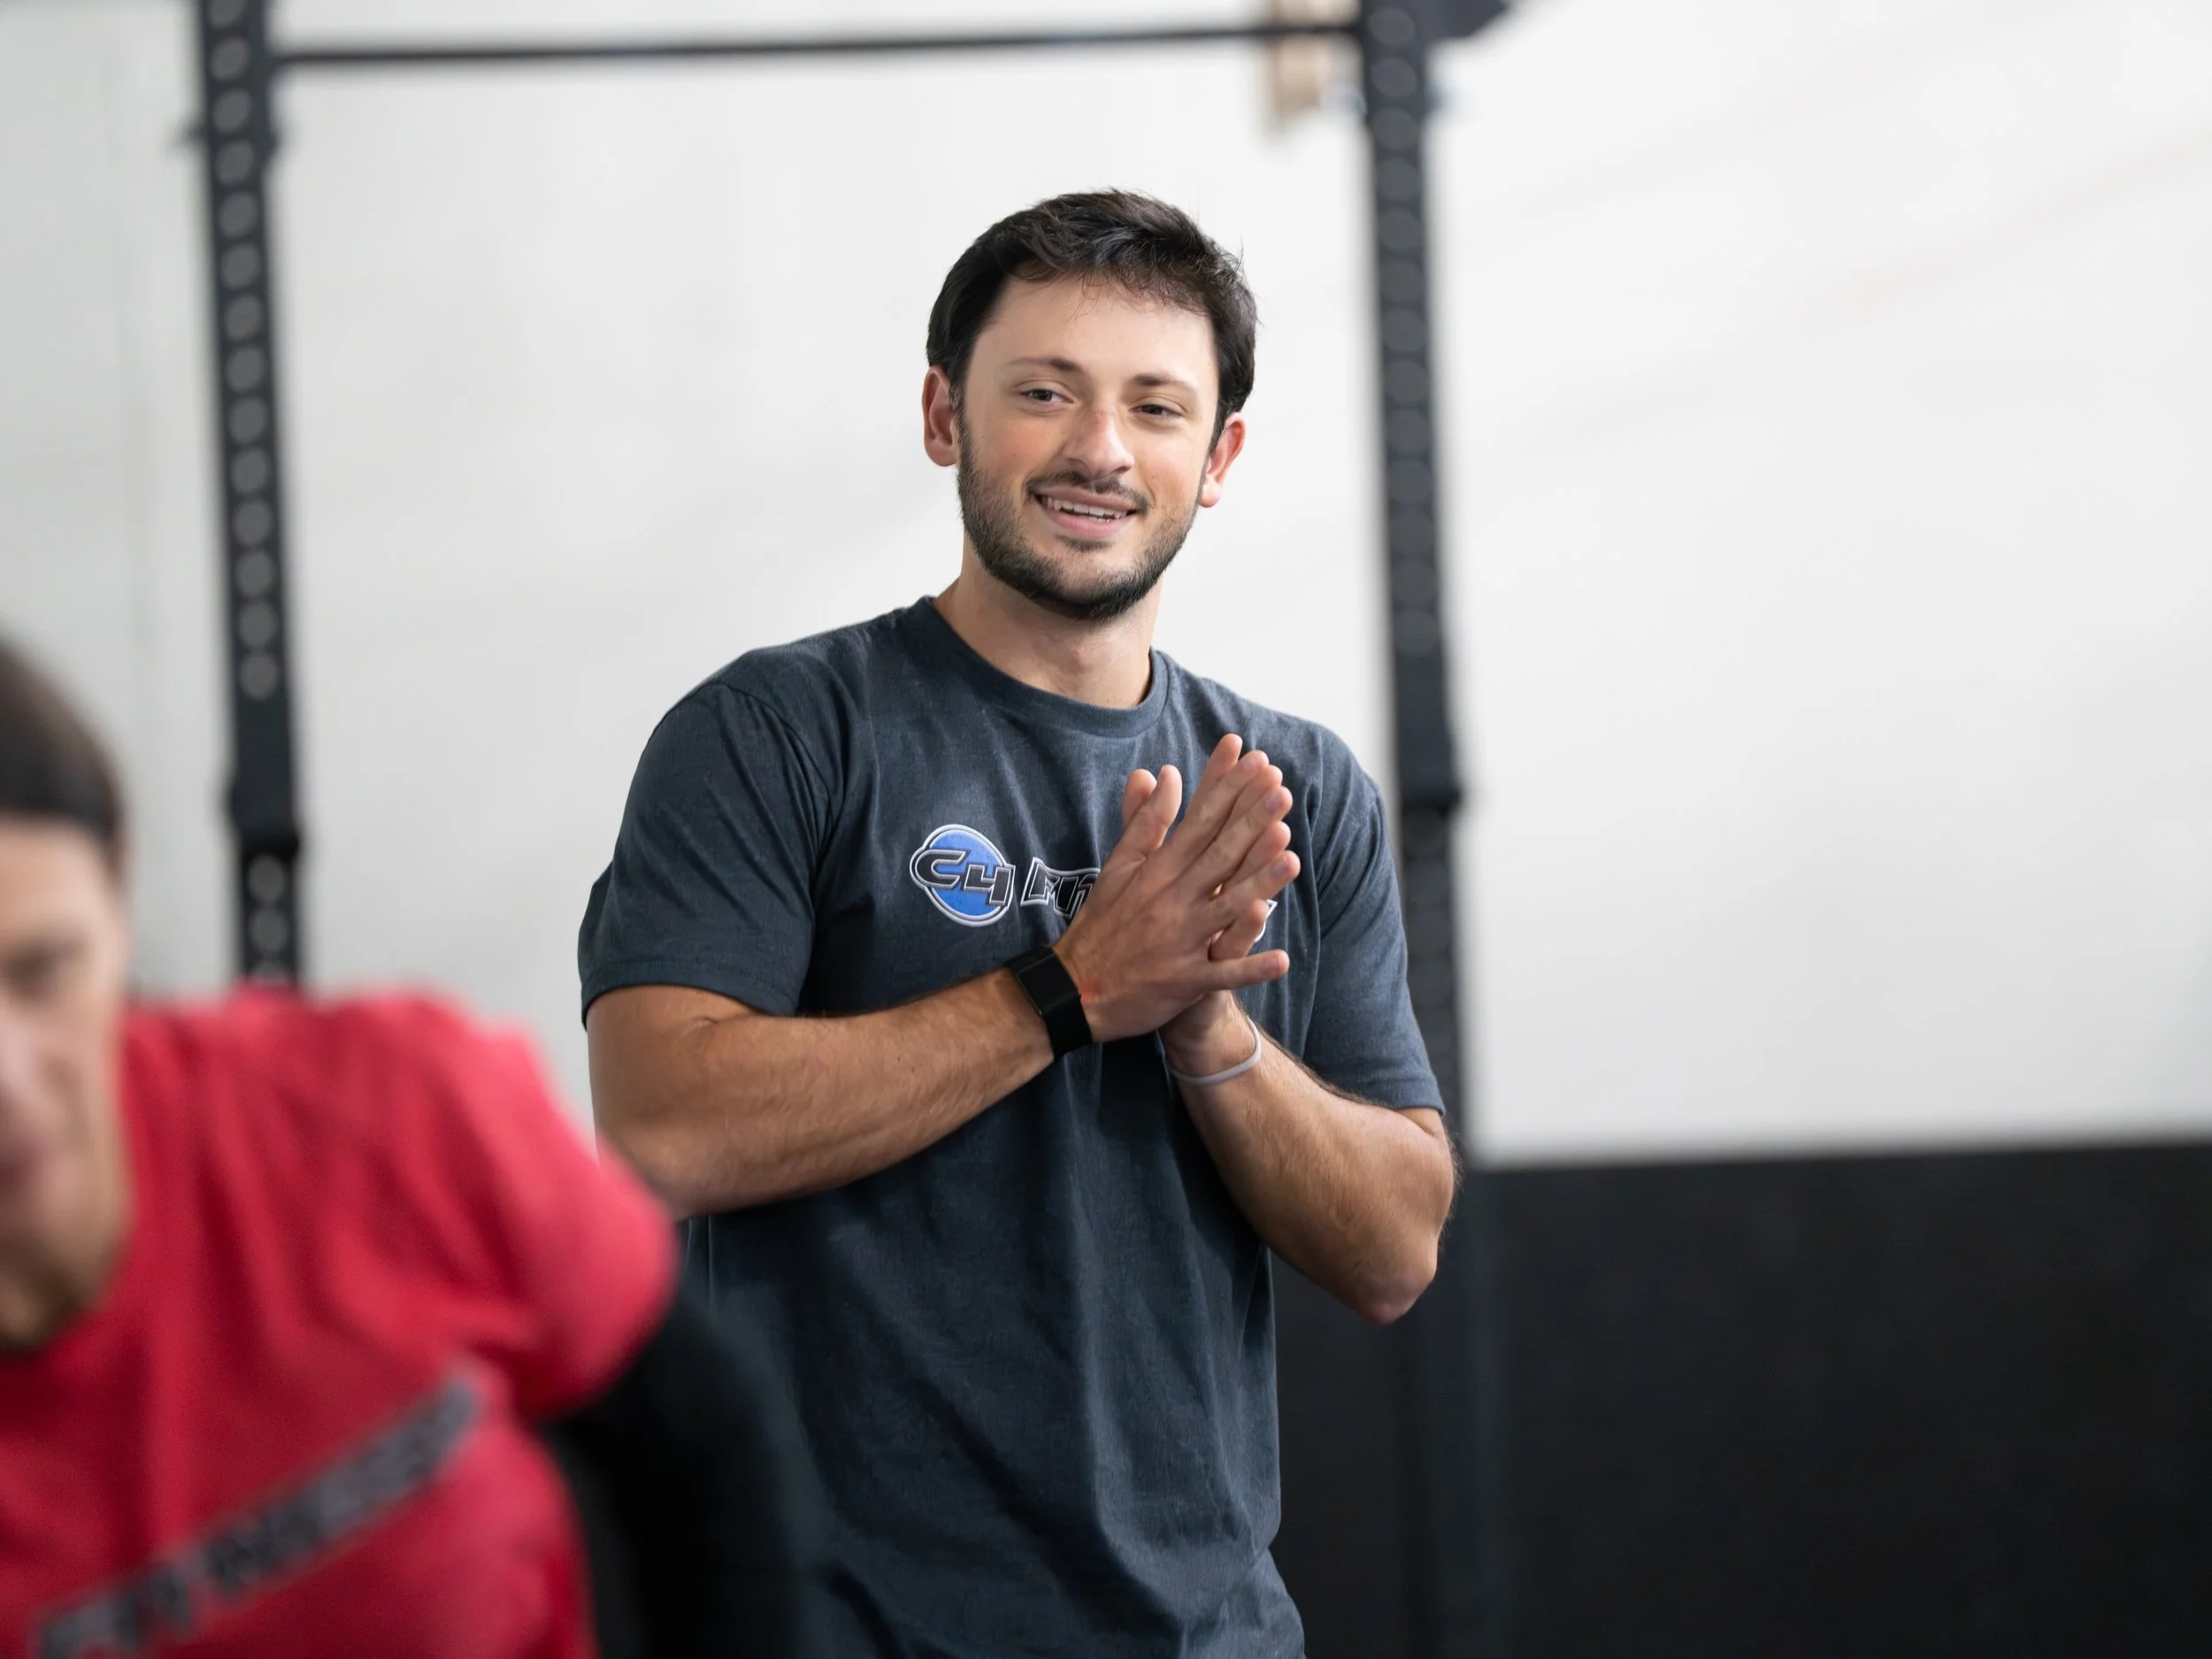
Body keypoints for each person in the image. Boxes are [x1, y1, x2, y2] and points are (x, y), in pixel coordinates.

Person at [580, 190, 1458, 1655]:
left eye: (1155, 406)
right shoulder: (777, 735)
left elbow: (1391, 1252)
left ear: (1218, 456)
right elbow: (661, 1130)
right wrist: (1068, 989)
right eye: (1043, 392)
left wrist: (1205, 1020)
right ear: (945, 417)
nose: (1099, 450)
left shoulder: (1299, 793)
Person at [0, 639, 823, 1658]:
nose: (8, 1075)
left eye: (41, 971)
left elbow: (706, 1454)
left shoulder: (384, 1104)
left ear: (117, 899)